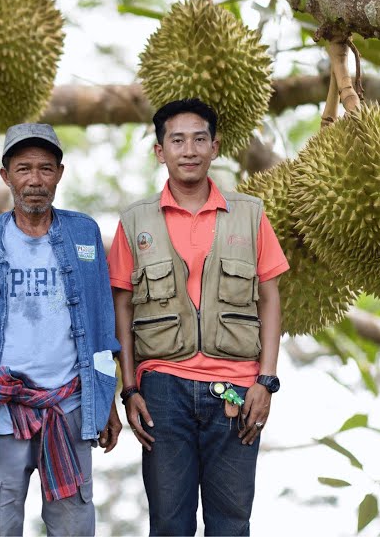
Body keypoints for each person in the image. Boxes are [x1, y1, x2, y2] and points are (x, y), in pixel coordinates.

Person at [109, 98, 289, 536]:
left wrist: (266, 381)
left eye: (199, 139)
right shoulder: (135, 222)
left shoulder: (250, 214)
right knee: (169, 523)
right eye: (177, 140)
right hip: (162, 390)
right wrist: (129, 387)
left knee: (231, 523)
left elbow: (269, 299)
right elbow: (122, 308)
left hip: (236, 391)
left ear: (215, 147)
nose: (188, 150)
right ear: (160, 151)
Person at [0, 122, 123, 536]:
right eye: (23, 169)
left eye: (45, 169)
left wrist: (106, 401)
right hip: (3, 409)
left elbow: (101, 325)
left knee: (74, 525)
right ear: (6, 176)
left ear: (59, 174)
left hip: (71, 406)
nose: (35, 180)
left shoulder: (83, 233)